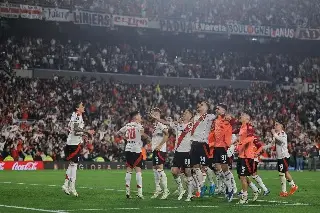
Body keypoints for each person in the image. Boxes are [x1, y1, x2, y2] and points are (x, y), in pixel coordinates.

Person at [151, 109, 194, 201]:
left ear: (190, 116)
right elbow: (166, 122)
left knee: (188, 172)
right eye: (183, 112)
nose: (183, 114)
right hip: (178, 152)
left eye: (186, 113)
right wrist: (157, 119)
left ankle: (190, 194)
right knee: (174, 171)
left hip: (187, 152)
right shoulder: (178, 124)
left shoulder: (192, 125)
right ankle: (181, 189)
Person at [62, 102, 95, 197]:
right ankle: (72, 187)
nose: (83, 107)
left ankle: (66, 185)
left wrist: (83, 135)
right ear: (77, 108)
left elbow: (73, 130)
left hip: (72, 143)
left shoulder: (75, 115)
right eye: (81, 106)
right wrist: (86, 131)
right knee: (74, 166)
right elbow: (76, 129)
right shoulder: (77, 116)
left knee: (72, 165)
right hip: (73, 144)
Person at [117, 111, 148, 199]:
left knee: (129, 169)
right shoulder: (139, 125)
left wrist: (126, 138)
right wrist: (145, 136)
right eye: (139, 115)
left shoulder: (127, 125)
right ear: (135, 117)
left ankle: (127, 192)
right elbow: (142, 134)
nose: (140, 117)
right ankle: (140, 193)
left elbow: (118, 132)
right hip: (136, 149)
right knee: (138, 170)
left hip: (128, 148)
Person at [207, 104, 235, 202]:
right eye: (216, 108)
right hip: (216, 148)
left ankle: (231, 189)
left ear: (224, 110)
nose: (216, 109)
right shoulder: (215, 121)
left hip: (223, 148)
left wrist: (229, 118)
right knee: (218, 170)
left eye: (219, 108)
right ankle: (228, 187)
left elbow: (233, 121)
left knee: (225, 169)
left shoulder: (227, 120)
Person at [190, 101, 216, 198]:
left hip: (203, 144)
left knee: (204, 167)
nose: (200, 106)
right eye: (199, 105)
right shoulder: (194, 117)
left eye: (202, 105)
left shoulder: (210, 116)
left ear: (207, 108)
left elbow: (220, 116)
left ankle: (211, 184)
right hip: (194, 144)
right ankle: (201, 188)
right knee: (196, 167)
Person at [236, 111, 259, 204]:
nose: (241, 116)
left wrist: (240, 144)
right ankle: (255, 189)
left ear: (247, 118)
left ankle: (244, 198)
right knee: (241, 176)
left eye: (243, 115)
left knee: (242, 176)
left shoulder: (249, 127)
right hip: (241, 155)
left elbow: (250, 138)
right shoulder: (242, 127)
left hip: (246, 156)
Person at [271, 121, 298, 197]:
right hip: (280, 157)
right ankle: (293, 186)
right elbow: (273, 143)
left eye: (277, 125)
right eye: (275, 125)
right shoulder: (277, 134)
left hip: (284, 157)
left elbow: (281, 140)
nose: (275, 126)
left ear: (281, 126)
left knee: (282, 173)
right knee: (285, 172)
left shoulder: (283, 134)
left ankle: (284, 191)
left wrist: (274, 134)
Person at [150, 108, 170, 200]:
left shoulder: (160, 124)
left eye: (156, 113)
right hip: (155, 149)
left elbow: (167, 134)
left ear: (159, 115)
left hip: (160, 149)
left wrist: (160, 145)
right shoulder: (154, 125)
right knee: (155, 169)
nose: (154, 114)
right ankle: (158, 189)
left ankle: (166, 190)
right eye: (153, 113)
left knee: (159, 169)